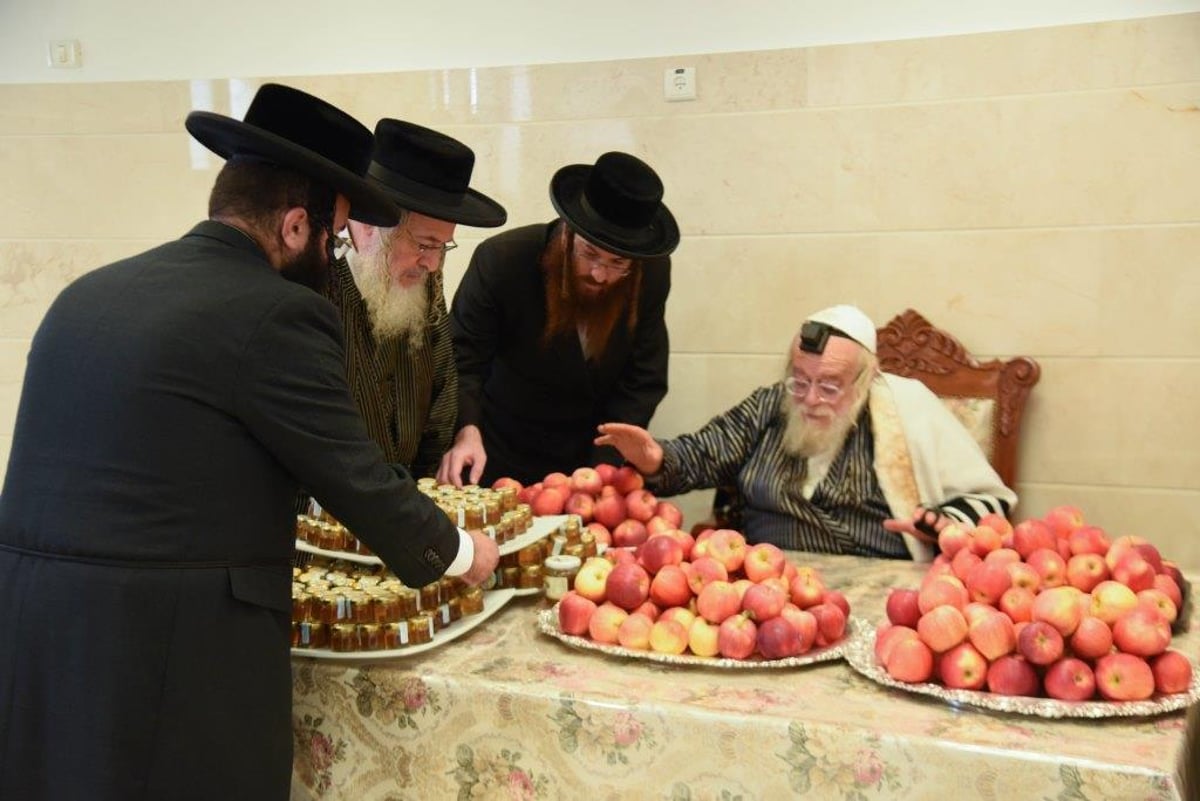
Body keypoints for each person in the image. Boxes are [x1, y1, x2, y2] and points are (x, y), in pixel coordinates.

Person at [0, 84, 499, 801]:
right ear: (296, 227)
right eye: (332, 237)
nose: (332, 259)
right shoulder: (278, 313)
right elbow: (354, 476)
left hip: (36, 645)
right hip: (164, 660)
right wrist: (458, 551)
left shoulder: (88, 293)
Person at [595, 304, 1016, 561]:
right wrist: (653, 456)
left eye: (830, 385)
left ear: (865, 380)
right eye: (800, 380)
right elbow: (702, 455)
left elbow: (988, 503)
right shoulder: (769, 405)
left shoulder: (908, 411)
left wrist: (941, 525)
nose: (811, 397)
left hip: (881, 593)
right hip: (765, 587)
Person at [437, 151, 679, 487]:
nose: (599, 274)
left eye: (617, 263)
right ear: (567, 234)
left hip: (588, 461)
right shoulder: (503, 260)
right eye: (590, 253)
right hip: (499, 452)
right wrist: (466, 431)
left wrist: (603, 470)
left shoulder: (650, 273)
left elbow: (643, 379)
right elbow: (461, 360)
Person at [330, 118, 506, 478]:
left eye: (442, 247)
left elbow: (441, 387)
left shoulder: (424, 281)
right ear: (367, 225)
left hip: (410, 507)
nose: (433, 263)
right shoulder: (312, 291)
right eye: (424, 244)